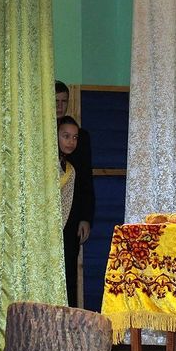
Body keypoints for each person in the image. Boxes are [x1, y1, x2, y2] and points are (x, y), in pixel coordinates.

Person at [55, 81, 95, 307]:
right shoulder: (40, 137)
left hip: (72, 214)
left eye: (64, 101)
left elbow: (86, 181)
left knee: (69, 270)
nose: (60, 106)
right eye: (56, 101)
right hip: (46, 216)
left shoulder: (81, 137)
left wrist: (86, 217)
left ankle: (68, 317)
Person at [57, 116, 81, 307]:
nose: (71, 142)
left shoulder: (70, 170)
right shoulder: (42, 165)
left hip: (60, 231)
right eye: (66, 136)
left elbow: (66, 204)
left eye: (74, 137)